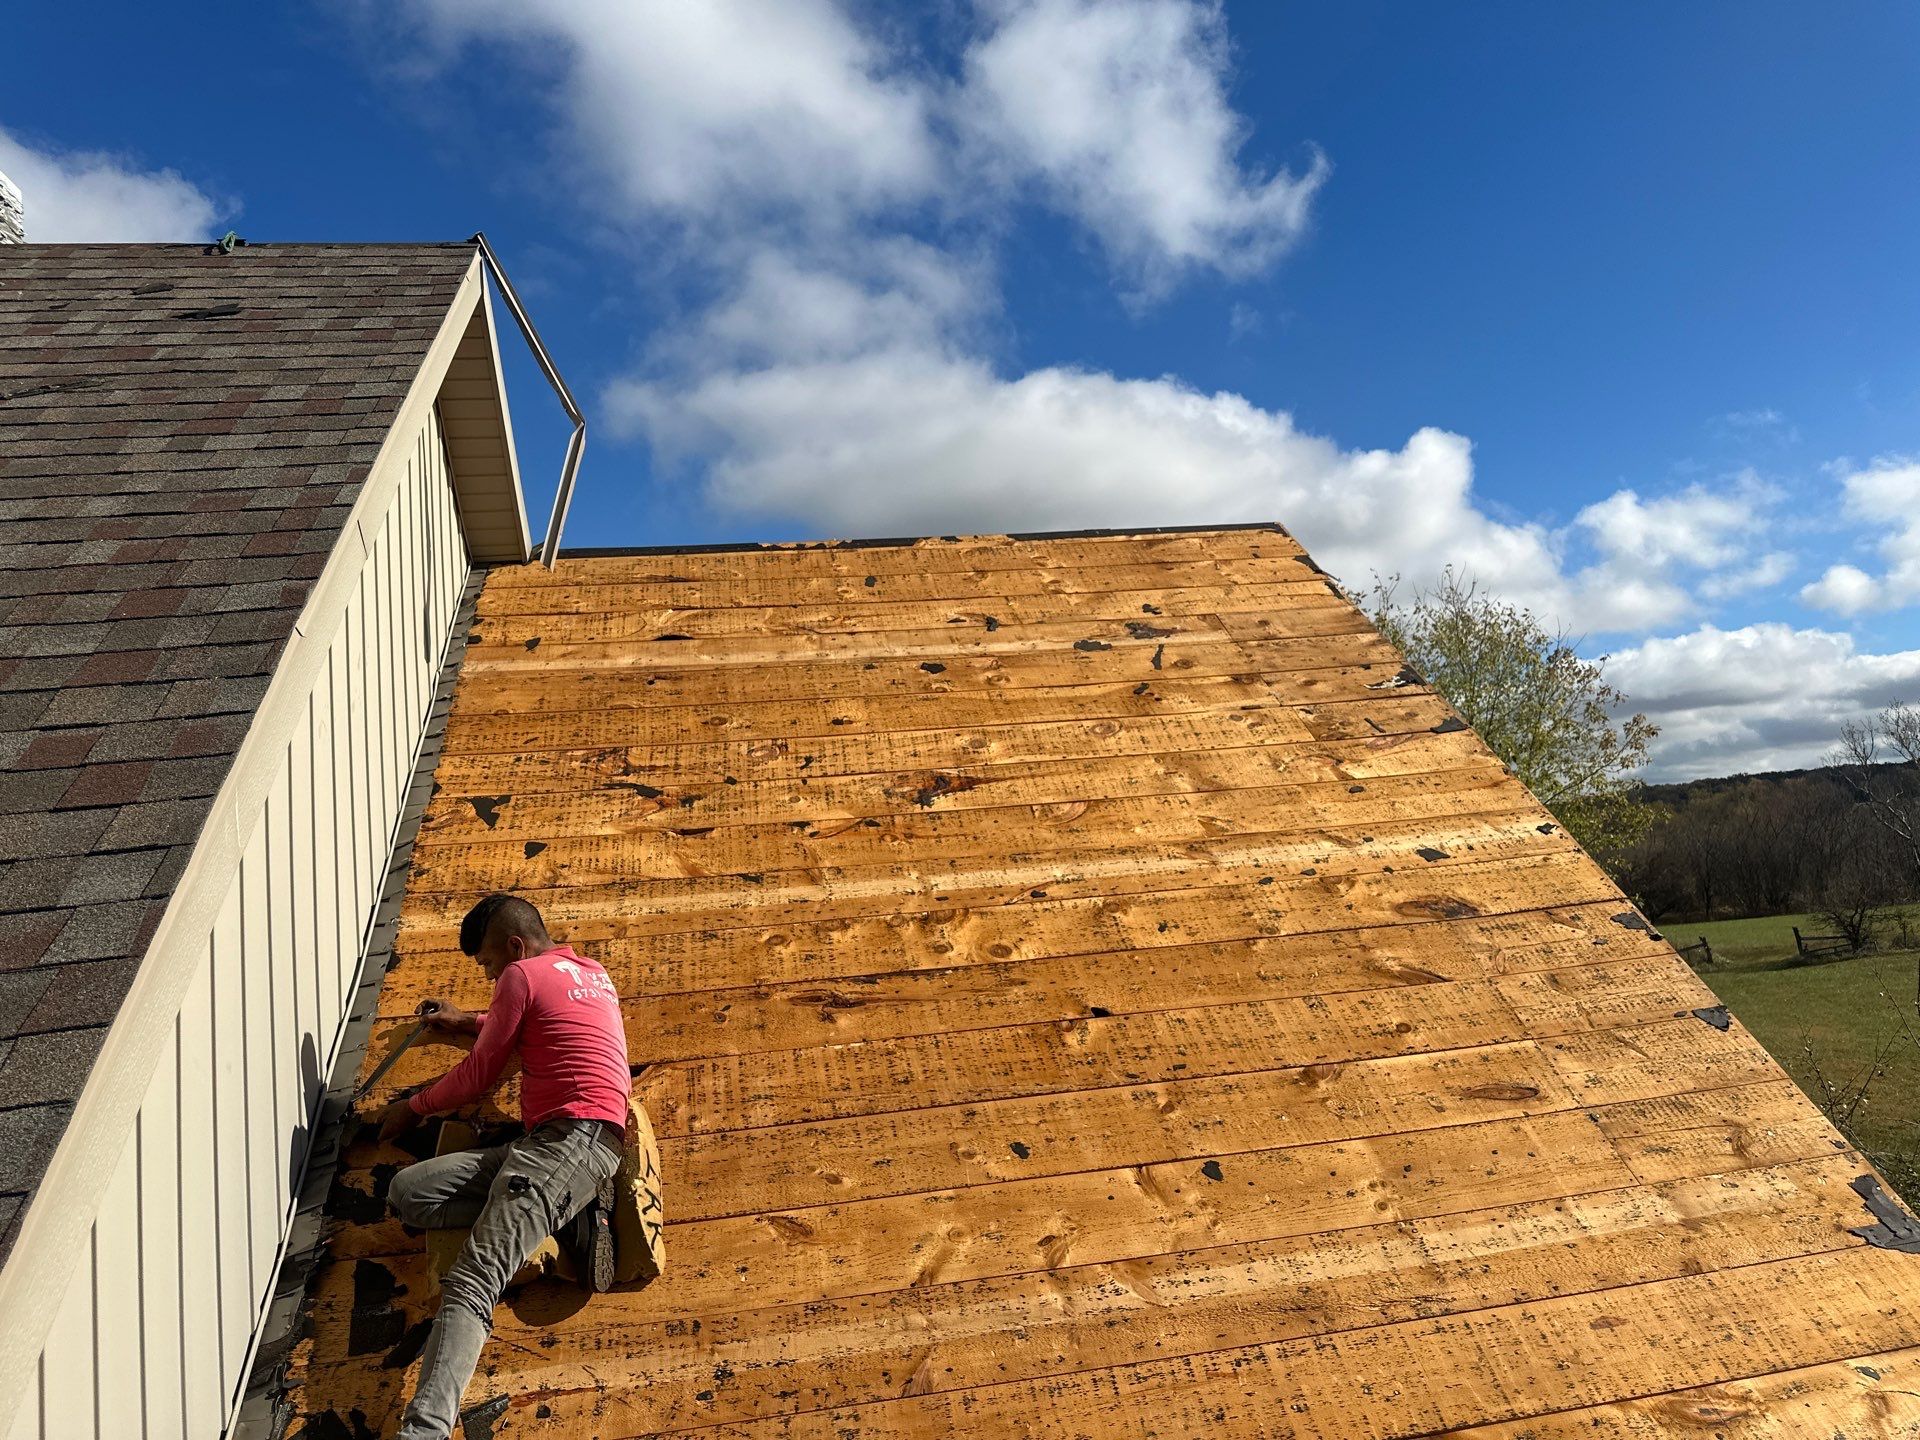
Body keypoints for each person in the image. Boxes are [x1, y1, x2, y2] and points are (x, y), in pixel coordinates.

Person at [373, 892, 631, 1440]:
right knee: (409, 1193)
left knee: (472, 1279)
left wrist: (410, 1107)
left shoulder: (522, 976)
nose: (493, 974)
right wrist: (469, 1020)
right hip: (555, 1147)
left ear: (515, 946)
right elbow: (523, 1019)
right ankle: (555, 1212)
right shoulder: (588, 972)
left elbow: (480, 1074)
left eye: (490, 964)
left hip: (568, 1144)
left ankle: (424, 1433)